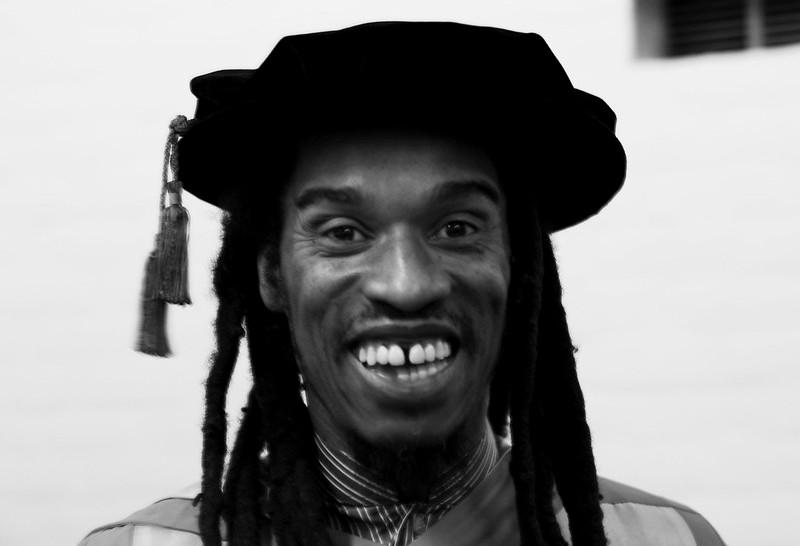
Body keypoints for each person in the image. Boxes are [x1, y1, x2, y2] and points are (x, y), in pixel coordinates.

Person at [81, 21, 726, 546]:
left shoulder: (659, 539)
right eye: (341, 232)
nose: (406, 285)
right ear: (274, 274)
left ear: (517, 265)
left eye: (456, 228)